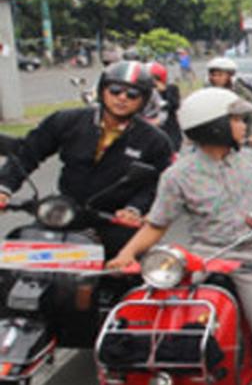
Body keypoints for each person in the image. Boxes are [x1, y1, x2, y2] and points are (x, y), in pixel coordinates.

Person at [105, 88, 252, 385]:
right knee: (160, 314)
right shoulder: (177, 175)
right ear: (214, 128)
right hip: (205, 257)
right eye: (236, 119)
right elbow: (156, 224)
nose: (243, 126)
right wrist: (125, 254)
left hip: (251, 258)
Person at [0, 62, 173, 258]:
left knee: (139, 271)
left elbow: (157, 183)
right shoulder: (66, 121)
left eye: (133, 94)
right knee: (17, 257)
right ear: (102, 90)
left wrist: (134, 209)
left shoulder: (155, 140)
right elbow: (27, 153)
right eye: (115, 90)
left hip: (114, 220)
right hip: (64, 212)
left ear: (144, 100)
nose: (122, 98)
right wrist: (4, 187)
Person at [207, 56, 252, 156]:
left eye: (220, 75)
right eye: (213, 75)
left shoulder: (243, 93)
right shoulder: (206, 93)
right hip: (214, 137)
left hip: (242, 136)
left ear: (229, 76)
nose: (216, 78)